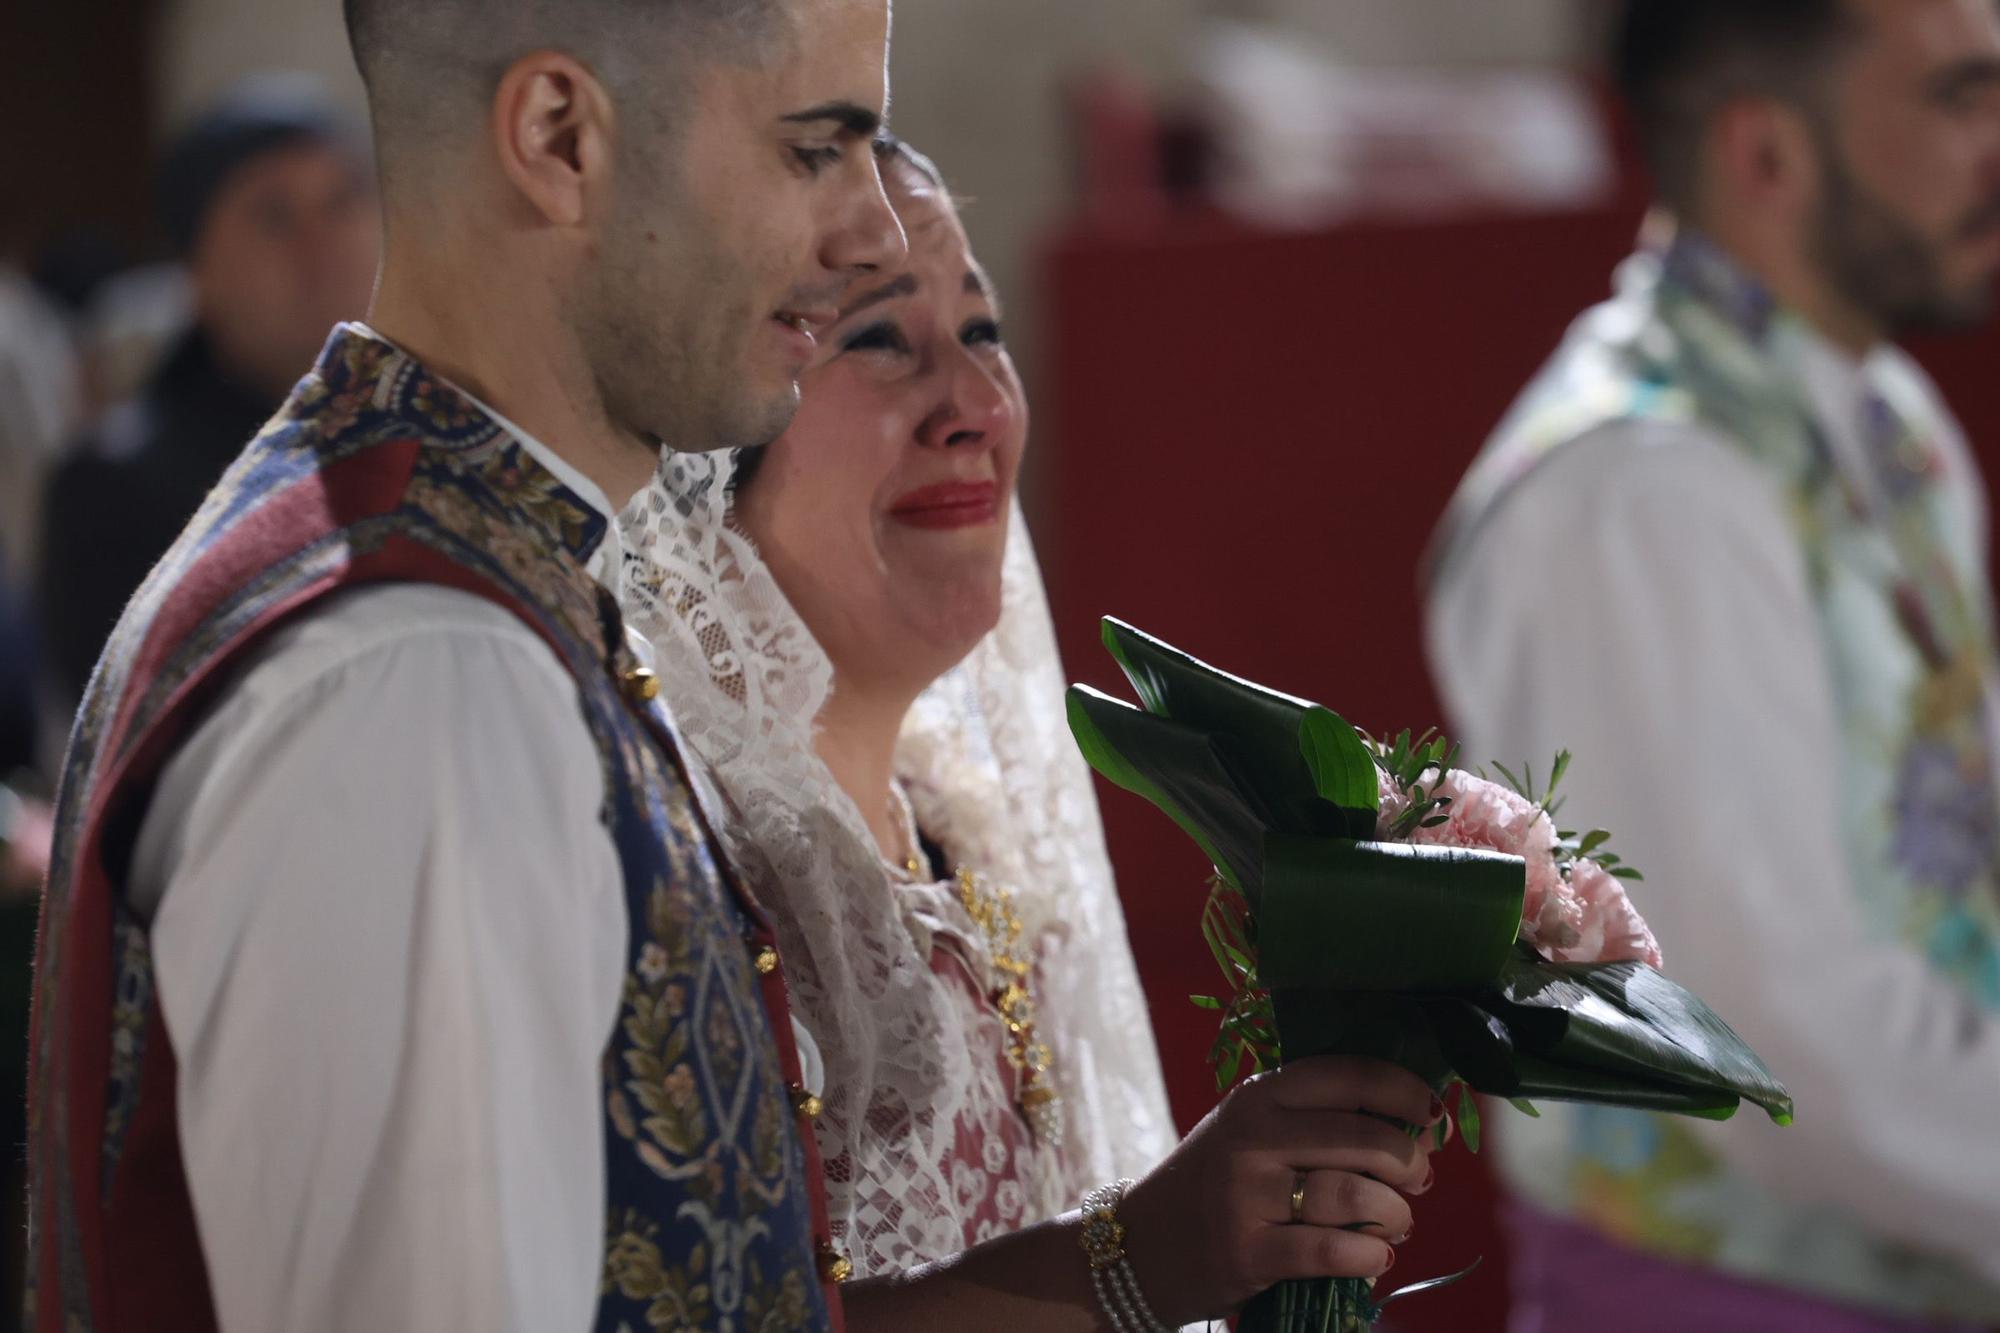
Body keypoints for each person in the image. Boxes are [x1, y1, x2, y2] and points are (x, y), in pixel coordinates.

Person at [27, 2, 908, 1330]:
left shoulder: (460, 567)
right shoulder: (422, 686)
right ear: (559, 138)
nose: (875, 234)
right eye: (811, 152)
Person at [622, 138, 1446, 1333]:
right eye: (875, 338)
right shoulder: (691, 869)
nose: (972, 406)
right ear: (702, 441)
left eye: (983, 331)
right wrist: (1133, 1263)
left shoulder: (965, 818)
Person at [1426, 1, 2000, 1329]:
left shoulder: (1883, 411)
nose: (1996, 144)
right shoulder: (1642, 489)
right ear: (1768, 155)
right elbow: (1772, 1046)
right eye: (1959, 98)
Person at [36, 78, 378, 702]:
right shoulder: (118, 483)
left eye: (342, 201)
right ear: (196, 266)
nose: (321, 245)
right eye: (274, 215)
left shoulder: (429, 431)